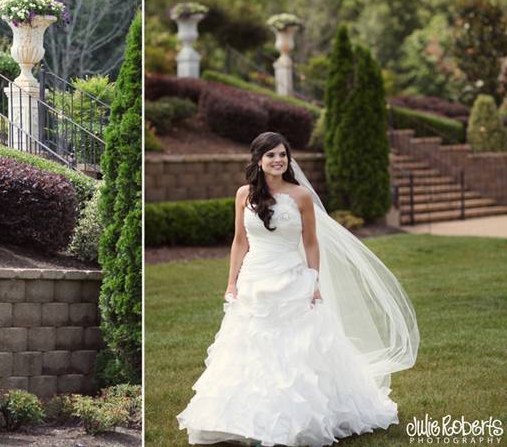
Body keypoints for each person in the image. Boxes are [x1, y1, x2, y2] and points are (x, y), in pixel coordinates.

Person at [177, 131, 419, 446]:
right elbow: (240, 241)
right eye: (271, 155)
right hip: (254, 278)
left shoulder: (300, 196)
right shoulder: (243, 195)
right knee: (249, 345)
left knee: (299, 346)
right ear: (259, 161)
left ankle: (302, 415)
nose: (278, 160)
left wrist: (313, 281)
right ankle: (244, 415)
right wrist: (232, 281)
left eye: (282, 154)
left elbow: (311, 243)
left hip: (291, 277)